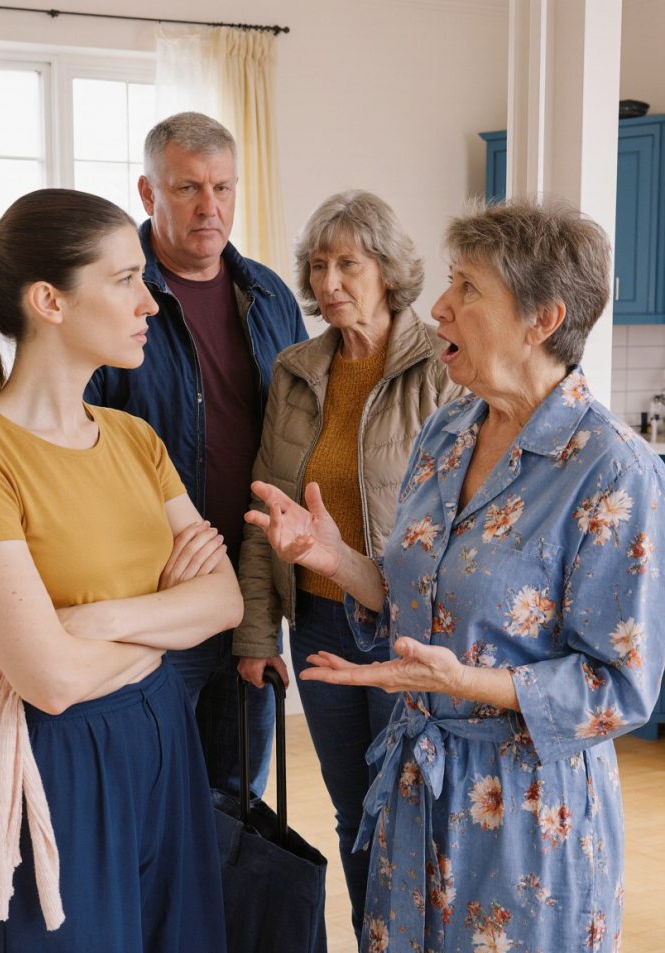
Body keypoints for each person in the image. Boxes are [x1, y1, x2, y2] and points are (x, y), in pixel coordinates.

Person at [246, 198, 665, 953]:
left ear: (541, 318)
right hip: (417, 792)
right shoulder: (447, 429)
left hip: (526, 817)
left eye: (467, 289)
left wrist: (467, 683)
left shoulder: (613, 469)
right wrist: (332, 558)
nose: (439, 307)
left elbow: (621, 687)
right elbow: (418, 594)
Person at [0, 188, 243, 952]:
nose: (151, 305)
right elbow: (52, 683)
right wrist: (166, 610)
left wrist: (90, 621)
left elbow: (225, 598)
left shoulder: (136, 438)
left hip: (165, 733)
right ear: (49, 302)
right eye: (125, 279)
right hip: (61, 761)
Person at [234, 190, 463, 936]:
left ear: (389, 273)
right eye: (319, 264)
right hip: (322, 624)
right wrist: (256, 632)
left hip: (408, 626)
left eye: (348, 264)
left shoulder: (440, 366)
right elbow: (270, 510)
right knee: (352, 809)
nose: (329, 281)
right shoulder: (296, 369)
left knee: (416, 808)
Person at [85, 111, 307, 798]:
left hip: (247, 599)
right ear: (148, 194)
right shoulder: (116, 296)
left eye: (223, 187)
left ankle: (224, 915)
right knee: (151, 800)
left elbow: (299, 440)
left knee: (240, 805)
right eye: (188, 188)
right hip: (153, 595)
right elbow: (78, 445)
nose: (210, 207)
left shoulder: (269, 296)